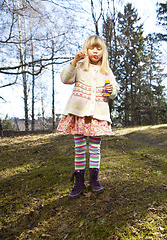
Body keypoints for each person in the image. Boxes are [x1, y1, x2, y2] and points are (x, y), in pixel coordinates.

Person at [57, 35, 119, 199]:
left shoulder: (106, 70)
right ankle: (79, 181)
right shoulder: (79, 66)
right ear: (86, 50)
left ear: (103, 52)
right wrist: (74, 61)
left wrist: (110, 90)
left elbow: (114, 91)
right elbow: (65, 79)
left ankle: (94, 179)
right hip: (79, 114)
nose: (95, 51)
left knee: (95, 149)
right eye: (92, 48)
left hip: (98, 115)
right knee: (79, 148)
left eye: (99, 49)